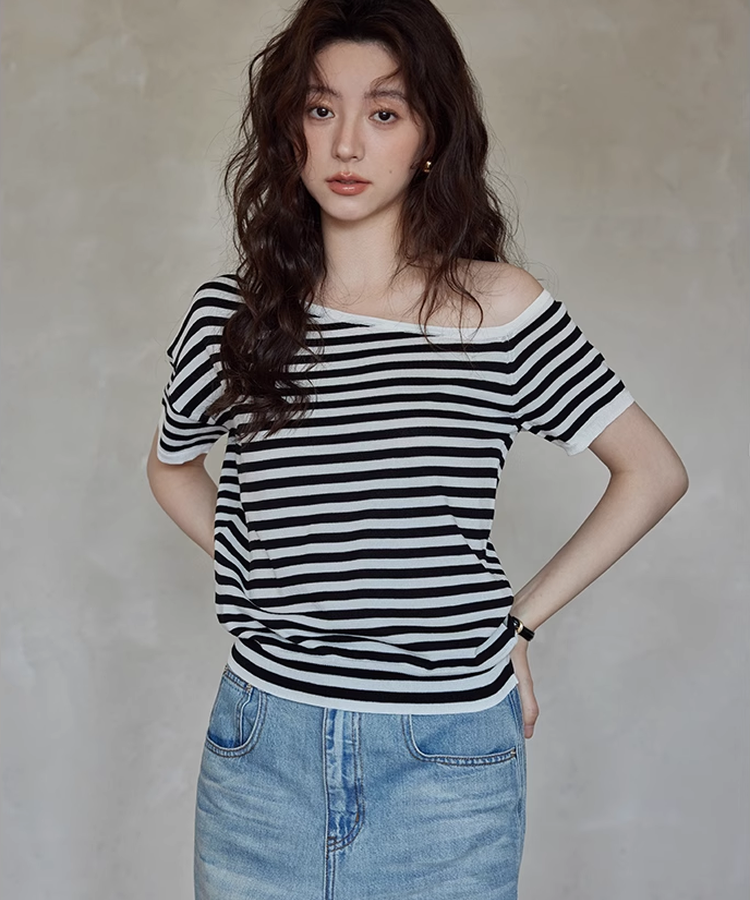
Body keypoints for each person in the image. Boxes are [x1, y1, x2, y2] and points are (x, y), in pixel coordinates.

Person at [146, 1, 689, 897]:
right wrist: (266, 560)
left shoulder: (497, 311)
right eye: (321, 108)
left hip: (444, 762)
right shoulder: (233, 315)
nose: (347, 143)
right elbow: (171, 468)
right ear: (288, 131)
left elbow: (653, 472)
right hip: (260, 752)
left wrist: (518, 622)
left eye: (385, 111)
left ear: (430, 137)